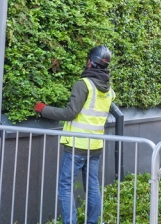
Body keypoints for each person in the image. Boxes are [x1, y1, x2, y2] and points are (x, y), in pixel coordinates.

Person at [34, 46, 115, 224]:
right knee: (92, 187)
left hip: (77, 146)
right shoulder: (109, 90)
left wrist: (43, 109)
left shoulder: (83, 84)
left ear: (90, 62)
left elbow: (70, 113)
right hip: (95, 146)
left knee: (65, 187)